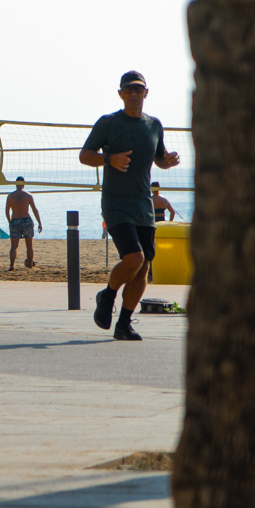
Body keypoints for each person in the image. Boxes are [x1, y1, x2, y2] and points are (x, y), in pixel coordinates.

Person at [80, 70, 180, 341]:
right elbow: (85, 155)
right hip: (116, 203)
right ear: (120, 93)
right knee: (133, 259)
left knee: (144, 267)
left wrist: (166, 161)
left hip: (143, 206)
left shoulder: (154, 125)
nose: (134, 93)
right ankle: (107, 295)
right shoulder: (109, 123)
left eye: (139, 89)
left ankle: (123, 324)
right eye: (129, 89)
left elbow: (158, 157)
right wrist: (108, 159)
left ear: (146, 93)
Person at [5, 177, 42, 271]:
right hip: (26, 220)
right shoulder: (28, 195)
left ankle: (11, 266)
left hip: (15, 220)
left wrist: (10, 222)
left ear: (16, 184)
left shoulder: (10, 196)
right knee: (29, 245)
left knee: (14, 246)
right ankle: (30, 265)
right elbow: (34, 209)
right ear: (23, 184)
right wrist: (39, 223)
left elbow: (7, 211)